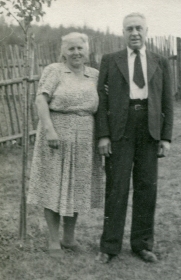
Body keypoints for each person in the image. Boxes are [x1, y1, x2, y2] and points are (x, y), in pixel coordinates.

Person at [96, 13, 173, 263]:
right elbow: (102, 100)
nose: (134, 33)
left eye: (139, 28)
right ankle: (109, 247)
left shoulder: (160, 62)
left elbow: (167, 102)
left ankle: (142, 244)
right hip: (120, 127)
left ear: (146, 30)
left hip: (149, 129)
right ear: (123, 33)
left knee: (146, 187)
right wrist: (104, 135)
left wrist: (166, 137)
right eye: (129, 29)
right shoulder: (110, 60)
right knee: (116, 187)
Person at [27, 32, 103, 256]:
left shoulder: (95, 75)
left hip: (85, 138)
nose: (76, 52)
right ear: (63, 52)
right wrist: (50, 130)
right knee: (54, 186)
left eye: (80, 48)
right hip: (56, 137)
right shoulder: (54, 71)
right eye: (71, 49)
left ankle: (69, 238)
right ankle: (53, 240)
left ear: (87, 50)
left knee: (77, 187)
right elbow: (41, 99)